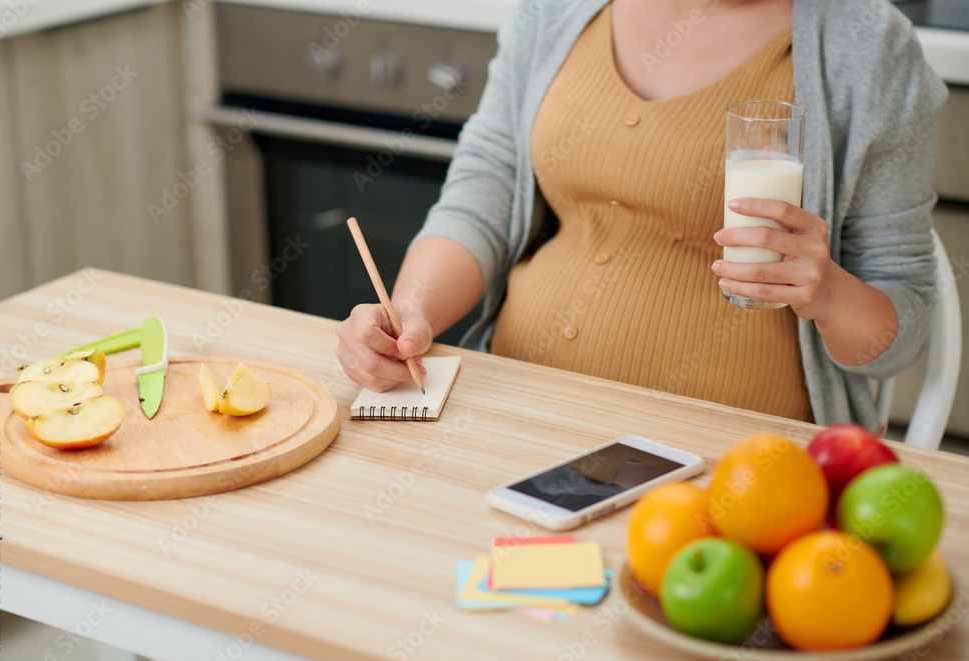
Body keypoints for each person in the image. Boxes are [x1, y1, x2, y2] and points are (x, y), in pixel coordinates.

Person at [335, 0, 947, 429]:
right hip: (514, 416)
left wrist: (831, 293)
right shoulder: (557, 12)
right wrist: (411, 308)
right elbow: (484, 190)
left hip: (733, 466)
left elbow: (904, 332)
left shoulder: (869, 48)